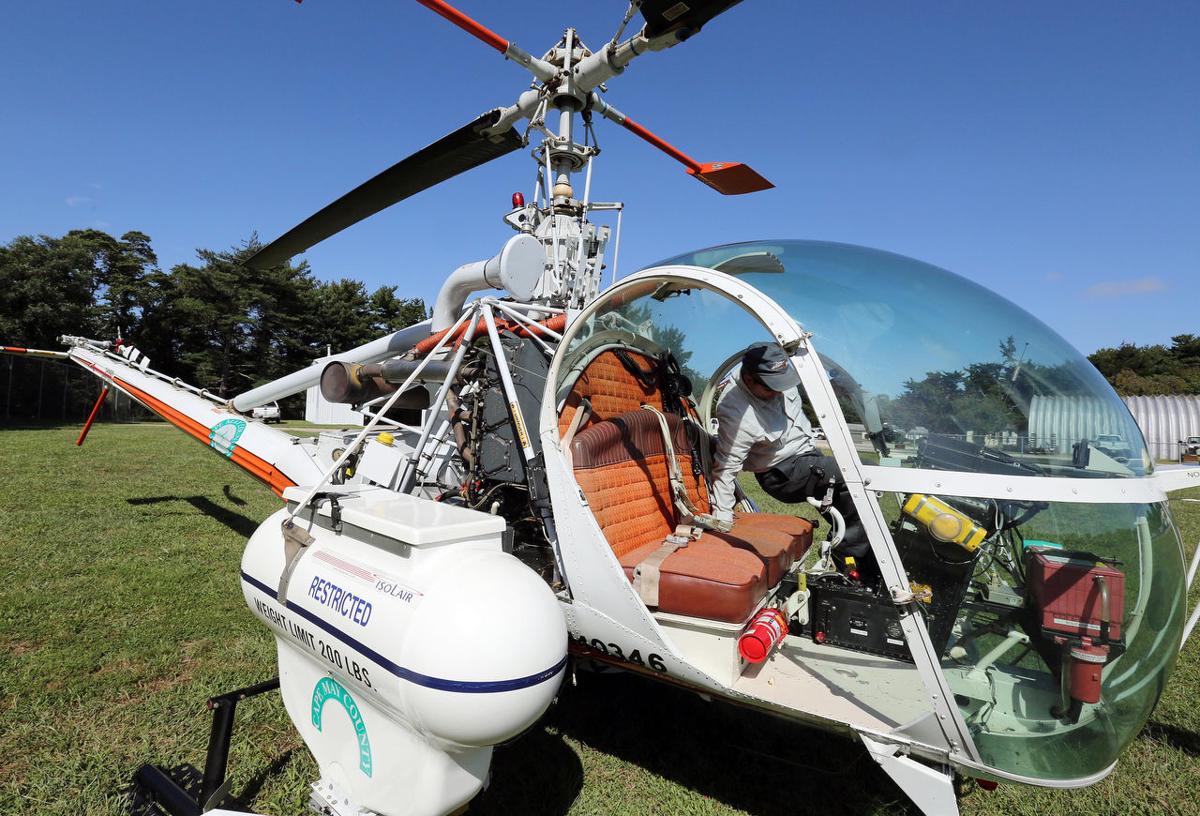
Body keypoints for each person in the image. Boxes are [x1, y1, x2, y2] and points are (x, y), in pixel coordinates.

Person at [709, 342, 870, 570]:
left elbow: (801, 391)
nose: (779, 392)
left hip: (808, 457)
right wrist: (722, 521)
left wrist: (833, 389)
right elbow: (726, 468)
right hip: (782, 474)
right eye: (771, 388)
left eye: (782, 384)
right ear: (749, 379)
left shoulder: (776, 379)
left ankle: (866, 567)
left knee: (857, 507)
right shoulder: (735, 411)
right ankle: (848, 555)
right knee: (861, 470)